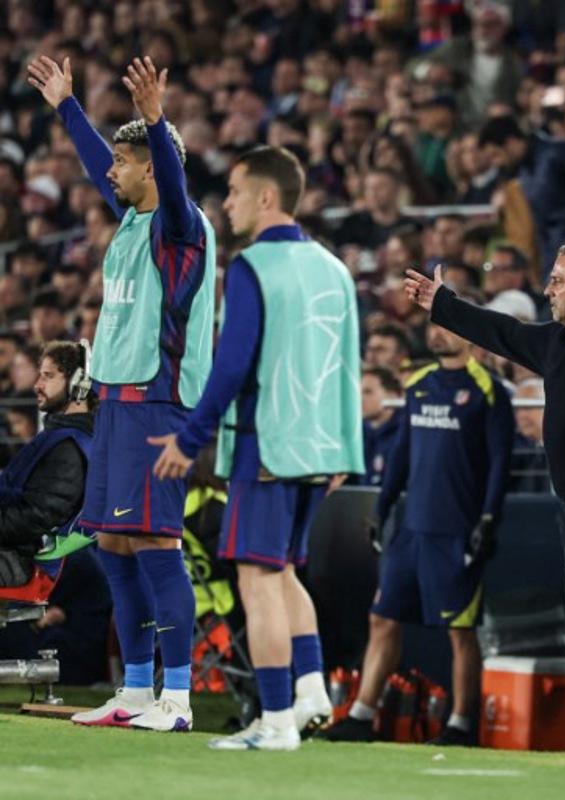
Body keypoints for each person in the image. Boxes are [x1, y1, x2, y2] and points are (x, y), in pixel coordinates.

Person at [403, 208, 565, 757]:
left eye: (558, 280)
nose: (548, 290)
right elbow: (502, 332)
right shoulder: (554, 343)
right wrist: (442, 304)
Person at [149, 146, 362, 750]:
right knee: (284, 571)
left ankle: (273, 720)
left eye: (237, 192)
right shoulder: (335, 269)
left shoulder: (252, 267)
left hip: (266, 447)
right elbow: (348, 365)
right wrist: (347, 450)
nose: (229, 203)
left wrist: (190, 441)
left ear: (267, 197)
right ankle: (313, 687)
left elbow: (231, 366)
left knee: (257, 580)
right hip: (321, 451)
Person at [28, 55, 217, 732]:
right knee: (111, 546)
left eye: (122, 161)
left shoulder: (180, 227)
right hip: (115, 403)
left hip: (156, 404)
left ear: (151, 167)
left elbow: (168, 178)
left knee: (155, 545)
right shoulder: (133, 223)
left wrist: (160, 124)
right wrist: (66, 107)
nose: (109, 170)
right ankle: (136, 690)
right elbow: (92, 163)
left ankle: (179, 698)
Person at [320, 321, 513, 746]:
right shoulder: (420, 384)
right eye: (435, 326)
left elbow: (501, 462)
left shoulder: (489, 391)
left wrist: (487, 519)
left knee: (460, 632)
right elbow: (403, 451)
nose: (439, 333)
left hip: (456, 529)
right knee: (382, 617)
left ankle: (462, 723)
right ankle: (361, 714)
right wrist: (382, 507)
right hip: (411, 527)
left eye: (449, 325)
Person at [477, 115, 565, 281]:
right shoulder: (524, 173)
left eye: (496, 154)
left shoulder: (560, 152)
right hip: (558, 262)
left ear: (511, 142)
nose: (497, 163)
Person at [0, 342, 94, 587]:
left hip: (18, 560)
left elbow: (38, 516)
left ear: (78, 385)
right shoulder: (56, 437)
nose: (37, 385)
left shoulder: (69, 448)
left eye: (48, 376)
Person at [357, 366, 404, 486]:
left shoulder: (407, 435)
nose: (359, 398)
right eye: (357, 392)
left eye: (368, 392)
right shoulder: (356, 435)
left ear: (393, 396)